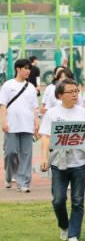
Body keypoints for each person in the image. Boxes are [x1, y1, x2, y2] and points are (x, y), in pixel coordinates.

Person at [39, 78, 85, 241]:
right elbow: (45, 137)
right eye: (70, 92)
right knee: (58, 200)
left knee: (78, 201)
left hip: (79, 163)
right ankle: (64, 226)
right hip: (58, 163)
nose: (74, 94)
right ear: (60, 95)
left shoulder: (84, 113)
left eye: (76, 91)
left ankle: (73, 234)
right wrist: (44, 158)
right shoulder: (52, 113)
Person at [0, 58, 39, 192]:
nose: (28, 71)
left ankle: (23, 183)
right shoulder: (7, 85)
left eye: (29, 69)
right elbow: (3, 105)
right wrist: (4, 121)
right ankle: (9, 175)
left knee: (26, 154)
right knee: (10, 153)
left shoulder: (31, 87)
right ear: (18, 69)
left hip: (27, 125)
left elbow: (34, 107)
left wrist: (36, 122)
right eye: (26, 68)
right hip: (11, 125)